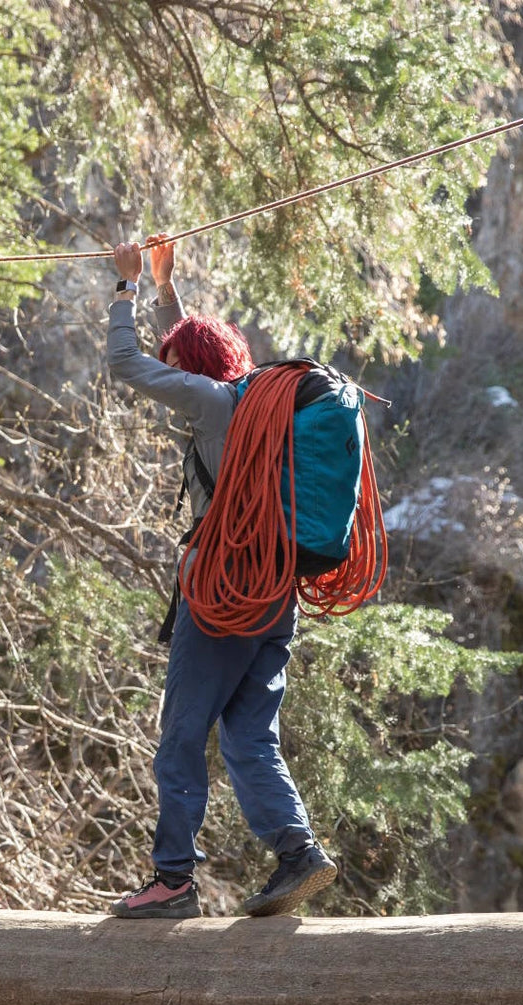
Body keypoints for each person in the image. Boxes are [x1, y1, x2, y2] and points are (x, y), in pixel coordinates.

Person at [105, 234, 337, 919]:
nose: (165, 367)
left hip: (223, 598)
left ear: (191, 370)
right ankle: (298, 853)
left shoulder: (209, 405)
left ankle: (172, 880)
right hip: (274, 593)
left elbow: (127, 363)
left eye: (174, 359)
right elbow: (192, 355)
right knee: (247, 737)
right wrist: (165, 287)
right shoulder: (254, 404)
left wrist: (124, 288)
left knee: (181, 736)